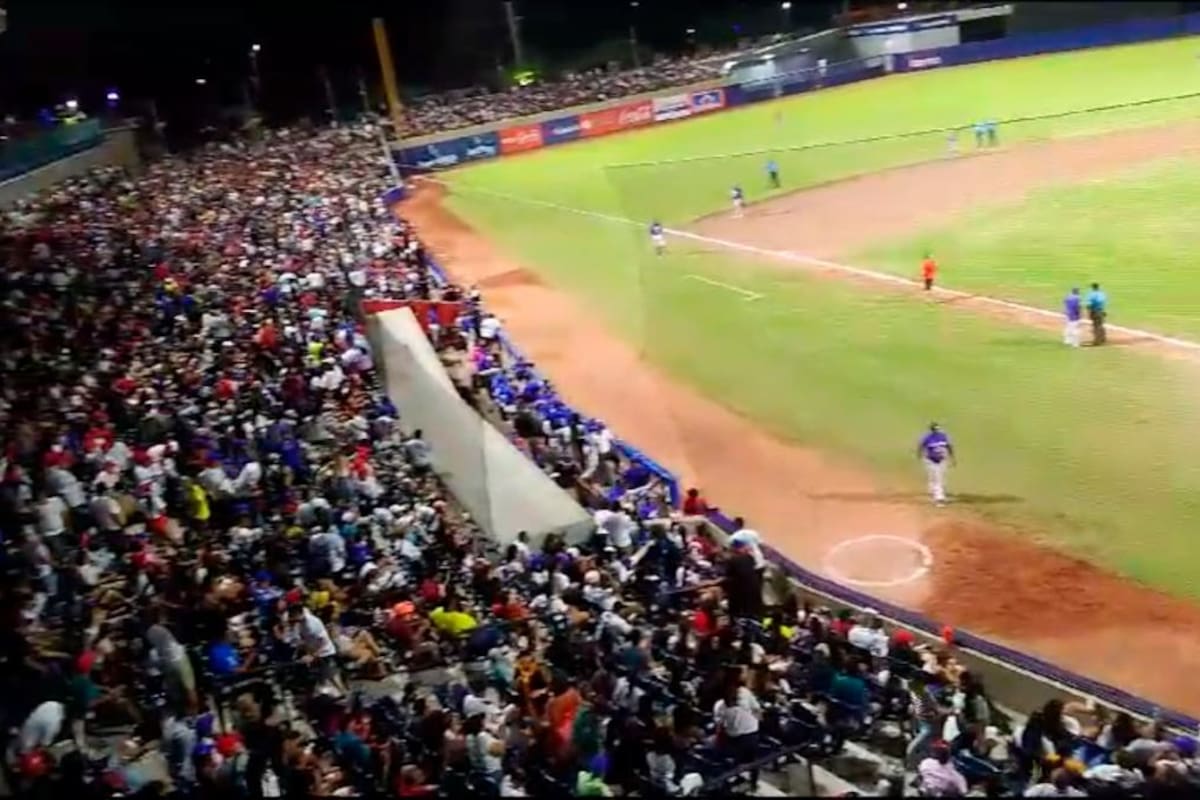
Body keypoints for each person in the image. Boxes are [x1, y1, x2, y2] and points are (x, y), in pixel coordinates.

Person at [916, 422, 955, 505]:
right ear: (931, 430)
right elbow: (921, 446)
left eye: (937, 429)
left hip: (942, 460)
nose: (936, 431)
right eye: (935, 429)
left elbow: (949, 447)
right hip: (930, 461)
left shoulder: (943, 436)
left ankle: (938, 493)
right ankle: (939, 498)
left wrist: (952, 458)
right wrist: (919, 455)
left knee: (941, 478)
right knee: (936, 478)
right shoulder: (928, 438)